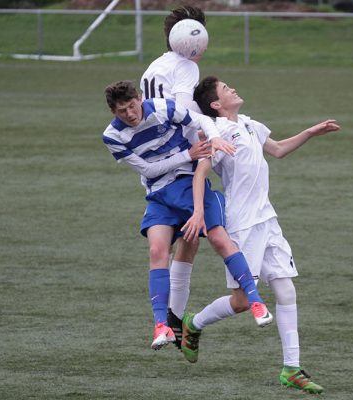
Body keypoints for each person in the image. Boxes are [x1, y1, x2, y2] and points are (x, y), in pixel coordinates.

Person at [180, 76, 340, 393]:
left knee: (286, 291)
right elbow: (201, 172)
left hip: (268, 221)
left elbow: (278, 150)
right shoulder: (220, 132)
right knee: (241, 301)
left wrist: (310, 132)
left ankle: (292, 369)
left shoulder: (251, 124)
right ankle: (193, 323)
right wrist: (198, 211)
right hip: (241, 225)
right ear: (215, 104)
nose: (233, 89)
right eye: (226, 89)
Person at [102, 80, 273, 351]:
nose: (130, 114)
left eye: (132, 106)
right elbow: (147, 170)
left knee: (218, 238)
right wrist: (187, 154)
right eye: (122, 111)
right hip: (159, 194)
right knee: (157, 250)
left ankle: (255, 300)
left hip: (188, 182)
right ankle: (162, 326)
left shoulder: (162, 108)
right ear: (114, 112)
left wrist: (213, 138)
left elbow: (202, 121)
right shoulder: (113, 137)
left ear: (140, 98)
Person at [139, 6, 208, 348]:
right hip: (182, 163)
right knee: (194, 236)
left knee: (164, 246)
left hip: (155, 164)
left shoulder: (153, 67)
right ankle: (175, 320)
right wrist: (206, 142)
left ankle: (168, 322)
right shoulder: (186, 66)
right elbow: (184, 112)